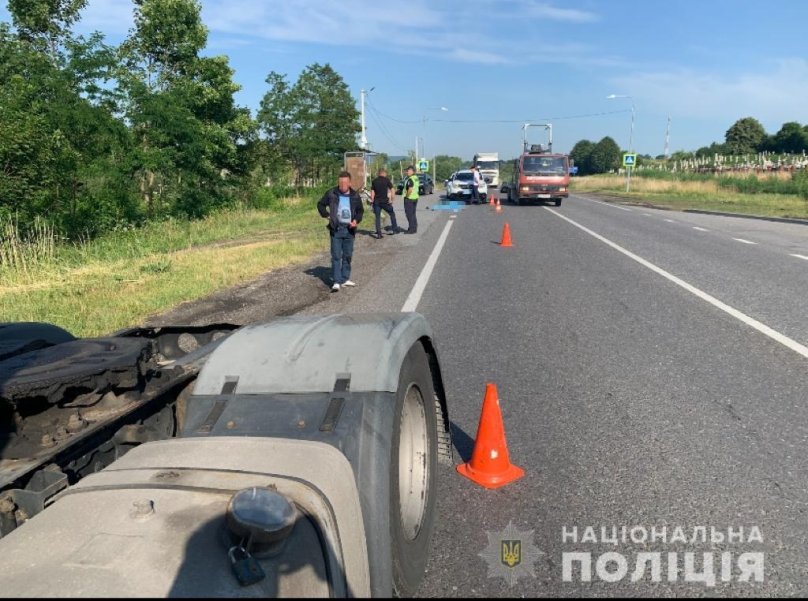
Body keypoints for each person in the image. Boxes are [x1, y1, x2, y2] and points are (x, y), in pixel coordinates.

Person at [317, 171, 364, 292]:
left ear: (350, 183)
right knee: (336, 256)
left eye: (345, 182)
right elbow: (320, 205)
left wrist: (356, 221)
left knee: (347, 255)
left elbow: (360, 211)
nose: (342, 185)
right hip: (336, 228)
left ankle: (345, 278)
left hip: (350, 229)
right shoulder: (332, 193)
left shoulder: (355, 196)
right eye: (340, 182)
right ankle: (337, 281)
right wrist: (327, 215)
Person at [370, 168, 398, 239]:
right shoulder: (386, 180)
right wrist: (392, 199)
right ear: (383, 173)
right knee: (392, 213)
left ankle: (379, 234)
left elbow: (372, 192)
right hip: (385, 202)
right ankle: (394, 229)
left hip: (376, 202)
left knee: (377, 217)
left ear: (378, 173)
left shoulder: (374, 181)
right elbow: (392, 189)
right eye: (385, 173)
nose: (386, 174)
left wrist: (372, 200)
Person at [402, 165, 420, 233]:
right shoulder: (416, 178)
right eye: (406, 170)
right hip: (415, 198)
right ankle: (414, 227)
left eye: (408, 170)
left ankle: (412, 229)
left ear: (412, 171)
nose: (407, 172)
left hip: (409, 198)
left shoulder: (410, 179)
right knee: (413, 214)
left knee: (409, 214)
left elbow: (410, 189)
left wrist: (407, 196)